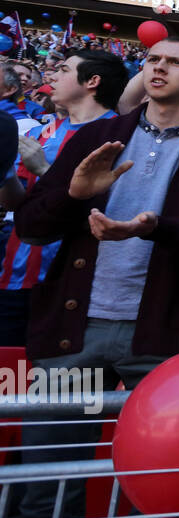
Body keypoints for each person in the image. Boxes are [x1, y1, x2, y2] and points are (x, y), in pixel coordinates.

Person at [13, 36, 179, 518]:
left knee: (160, 488)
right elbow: (31, 226)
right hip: (75, 332)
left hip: (164, 337)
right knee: (48, 484)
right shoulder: (99, 135)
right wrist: (74, 195)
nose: (159, 68)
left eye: (175, 62)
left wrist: (156, 228)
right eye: (153, 60)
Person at [0, 50, 125, 346]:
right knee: (11, 381)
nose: (51, 76)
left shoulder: (120, 136)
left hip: (73, 287)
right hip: (16, 278)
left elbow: (110, 206)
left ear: (92, 81)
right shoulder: (44, 131)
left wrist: (44, 169)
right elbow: (15, 203)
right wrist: (4, 171)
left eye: (64, 70)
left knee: (61, 386)